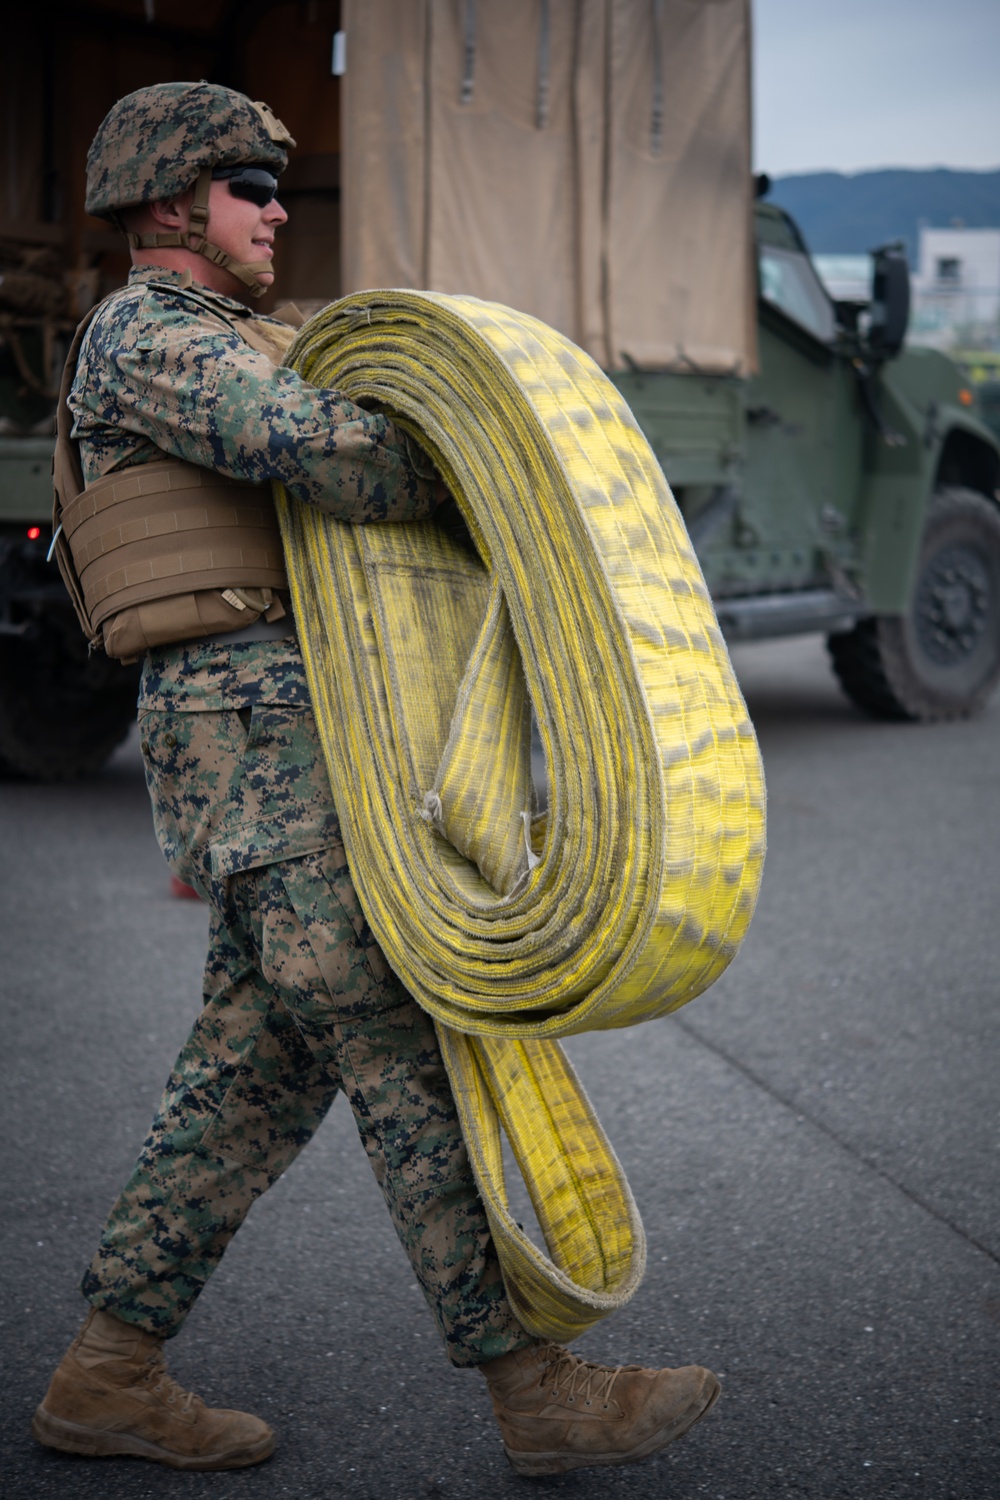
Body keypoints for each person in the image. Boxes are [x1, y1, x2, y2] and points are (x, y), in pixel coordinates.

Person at [32, 81, 720, 1478]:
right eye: (251, 185)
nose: (282, 209)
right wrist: (503, 457)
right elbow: (323, 453)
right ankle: (534, 1386)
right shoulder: (148, 334)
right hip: (258, 745)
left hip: (297, 740)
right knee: (405, 1034)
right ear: (173, 203)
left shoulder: (235, 334)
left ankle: (107, 1374)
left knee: (250, 1074)